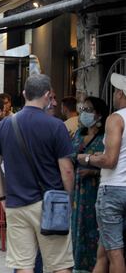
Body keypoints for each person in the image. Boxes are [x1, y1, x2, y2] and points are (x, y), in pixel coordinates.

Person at [0, 74, 74, 273]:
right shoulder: (56, 126)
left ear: (24, 94)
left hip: (16, 203)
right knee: (60, 263)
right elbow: (67, 169)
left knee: (23, 264)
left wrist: (2, 196)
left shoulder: (4, 125)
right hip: (49, 203)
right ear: (47, 95)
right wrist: (68, 199)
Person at [78, 73, 126, 273]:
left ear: (122, 93)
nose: (114, 94)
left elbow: (110, 160)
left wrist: (87, 158)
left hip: (114, 189)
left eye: (116, 91)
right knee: (103, 249)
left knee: (114, 252)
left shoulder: (116, 118)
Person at [71, 97, 108, 273]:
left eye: (89, 109)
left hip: (96, 189)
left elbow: (111, 165)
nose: (84, 112)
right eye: (82, 108)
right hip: (78, 190)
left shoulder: (106, 138)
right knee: (77, 226)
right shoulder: (79, 134)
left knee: (95, 228)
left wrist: (93, 172)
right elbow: (69, 157)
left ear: (99, 114)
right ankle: (78, 266)